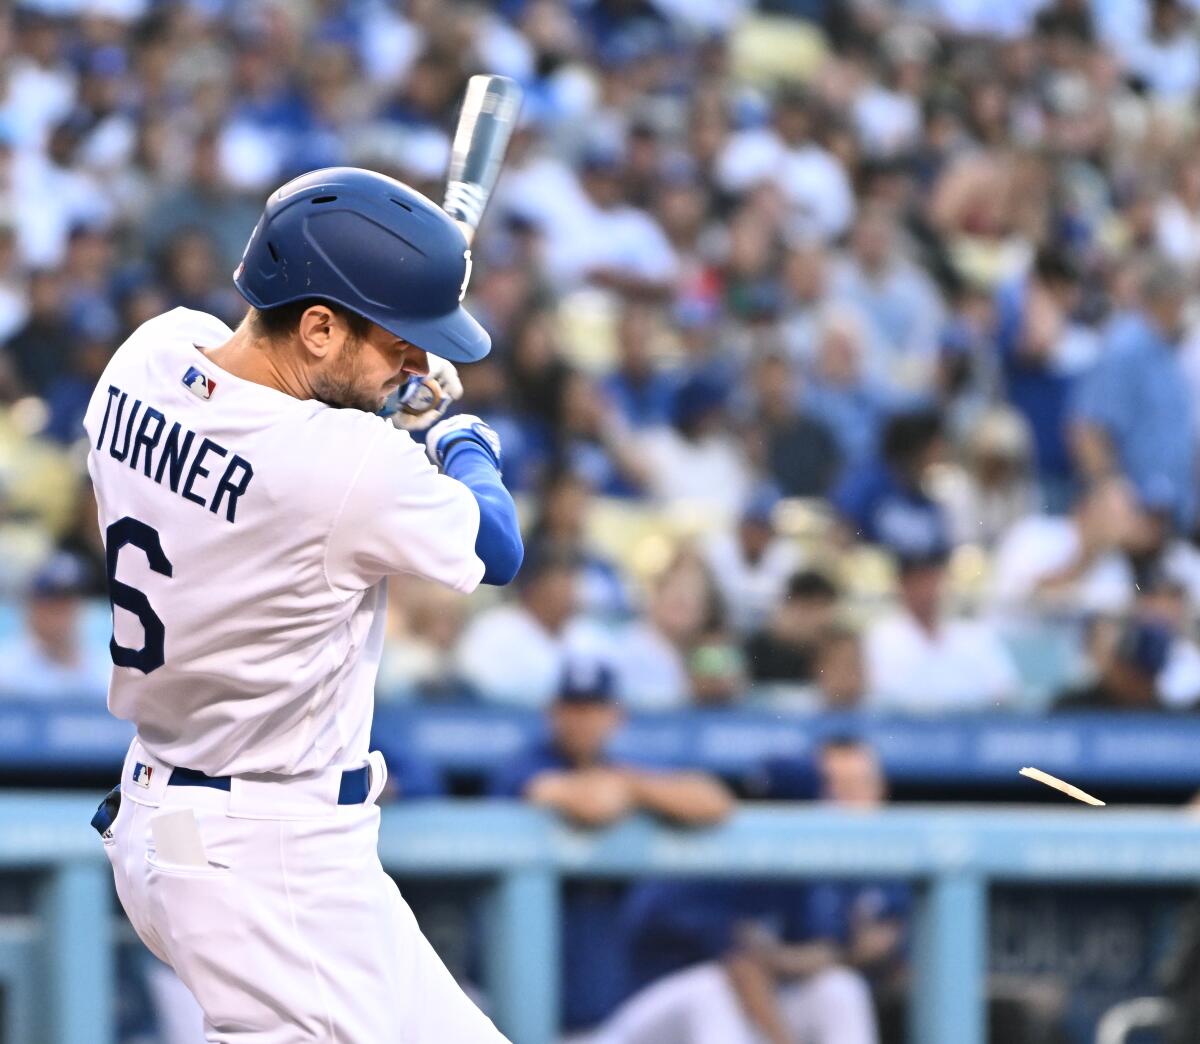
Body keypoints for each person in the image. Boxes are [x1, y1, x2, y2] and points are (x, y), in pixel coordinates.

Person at [86, 168, 522, 1043]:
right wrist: (455, 434)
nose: (416, 361)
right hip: (268, 854)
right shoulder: (346, 464)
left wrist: (379, 393)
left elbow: (263, 408)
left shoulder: (147, 355)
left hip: (174, 821)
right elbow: (496, 544)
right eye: (400, 341)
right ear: (317, 326)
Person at [489, 659, 732, 1036]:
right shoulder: (523, 767)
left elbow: (714, 801)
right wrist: (636, 791)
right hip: (518, 1009)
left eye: (594, 708)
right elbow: (593, 805)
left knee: (709, 991)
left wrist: (632, 788)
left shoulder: (620, 771)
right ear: (552, 712)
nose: (582, 719)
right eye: (573, 707)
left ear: (616, 716)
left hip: (608, 1011)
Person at [597, 738, 897, 1044]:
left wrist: (794, 958)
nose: (777, 819)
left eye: (788, 807)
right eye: (769, 805)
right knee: (713, 989)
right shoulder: (708, 861)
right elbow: (743, 968)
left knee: (839, 988)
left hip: (735, 1017)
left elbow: (823, 955)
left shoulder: (806, 869)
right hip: (639, 1020)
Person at [864, 540, 1020, 713]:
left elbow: (1005, 696)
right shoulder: (877, 638)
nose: (923, 589)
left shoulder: (977, 637)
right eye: (914, 580)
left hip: (970, 734)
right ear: (901, 585)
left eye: (929, 578)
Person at [0, 550, 110, 700]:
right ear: (31, 608)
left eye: (67, 602)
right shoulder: (6, 672)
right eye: (52, 603)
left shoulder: (105, 670)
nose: (60, 614)